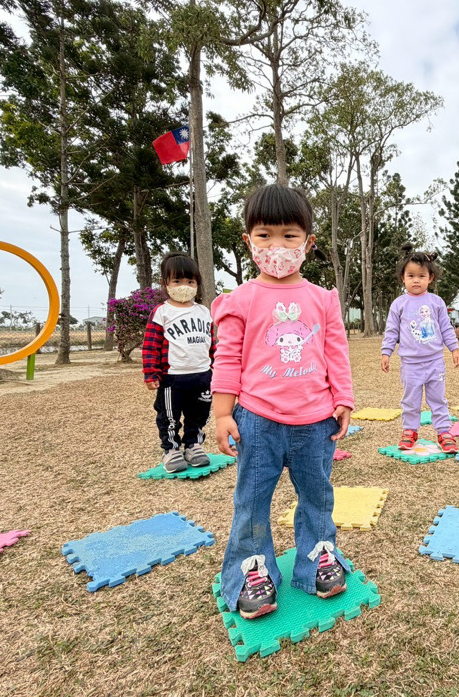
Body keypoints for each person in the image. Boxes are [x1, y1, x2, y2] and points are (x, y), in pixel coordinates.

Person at [211, 184, 354, 620]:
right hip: (257, 421)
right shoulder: (240, 300)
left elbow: (336, 352)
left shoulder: (322, 299)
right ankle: (252, 569)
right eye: (265, 235)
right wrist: (222, 412)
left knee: (317, 496)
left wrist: (344, 398)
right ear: (248, 241)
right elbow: (228, 358)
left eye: (289, 235)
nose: (277, 246)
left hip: (316, 422)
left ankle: (318, 557)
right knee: (252, 500)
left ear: (308, 242)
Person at [381, 244, 459, 453]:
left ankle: (444, 432)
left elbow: (446, 327)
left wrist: (454, 348)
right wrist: (386, 352)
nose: (416, 280)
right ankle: (410, 431)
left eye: (421, 276)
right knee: (410, 400)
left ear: (430, 278)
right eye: (411, 276)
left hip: (435, 362)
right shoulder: (398, 304)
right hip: (410, 364)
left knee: (438, 399)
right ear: (403, 278)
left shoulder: (437, 302)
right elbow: (391, 331)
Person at [141, 252, 215, 473]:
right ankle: (171, 450)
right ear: (165, 283)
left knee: (199, 414)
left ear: (197, 283)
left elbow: (211, 343)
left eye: (190, 281)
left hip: (203, 375)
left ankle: (193, 445)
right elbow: (151, 345)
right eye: (177, 281)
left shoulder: (204, 312)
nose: (184, 286)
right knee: (169, 416)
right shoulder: (162, 312)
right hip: (172, 378)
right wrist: (151, 373)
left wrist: (217, 366)